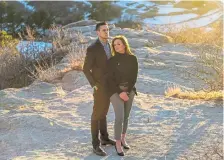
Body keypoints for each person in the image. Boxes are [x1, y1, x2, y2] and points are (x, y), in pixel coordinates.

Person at [83, 22, 115, 156]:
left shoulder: (110, 45)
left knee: (104, 111)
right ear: (97, 32)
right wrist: (94, 84)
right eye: (103, 30)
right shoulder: (93, 48)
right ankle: (95, 145)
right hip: (99, 85)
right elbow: (85, 69)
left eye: (107, 30)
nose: (106, 32)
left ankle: (105, 138)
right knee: (97, 114)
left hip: (110, 85)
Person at [107, 35, 138, 156]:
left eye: (118, 44)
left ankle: (123, 138)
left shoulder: (132, 58)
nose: (116, 46)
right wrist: (120, 92)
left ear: (124, 44)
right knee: (119, 117)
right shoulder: (111, 61)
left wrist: (128, 92)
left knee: (126, 117)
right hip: (115, 91)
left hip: (129, 90)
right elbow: (109, 80)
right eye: (114, 45)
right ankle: (118, 143)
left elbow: (133, 77)